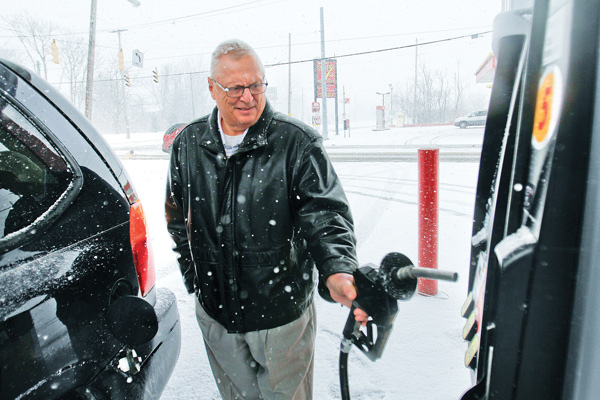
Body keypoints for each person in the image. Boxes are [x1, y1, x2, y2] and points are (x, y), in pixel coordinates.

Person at [165, 38, 367, 400]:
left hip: (281, 317)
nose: (248, 96)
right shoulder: (189, 144)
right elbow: (178, 218)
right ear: (212, 88)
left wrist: (337, 267)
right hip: (217, 315)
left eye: (256, 84)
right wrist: (195, 278)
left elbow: (325, 215)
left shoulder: (297, 143)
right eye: (236, 87)